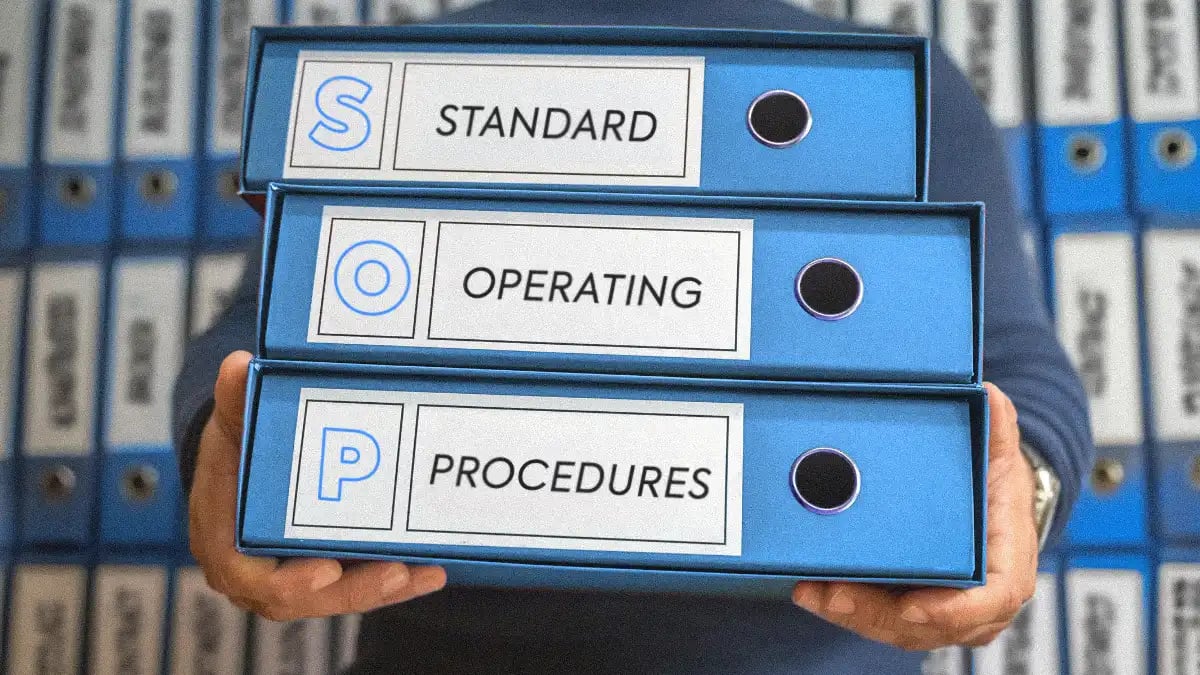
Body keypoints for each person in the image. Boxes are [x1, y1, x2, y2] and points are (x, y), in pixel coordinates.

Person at [173, 1, 1093, 672]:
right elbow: (253, 343)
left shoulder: (901, 90)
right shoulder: (388, 86)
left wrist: (1021, 498)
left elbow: (1017, 371)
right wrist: (215, 462)